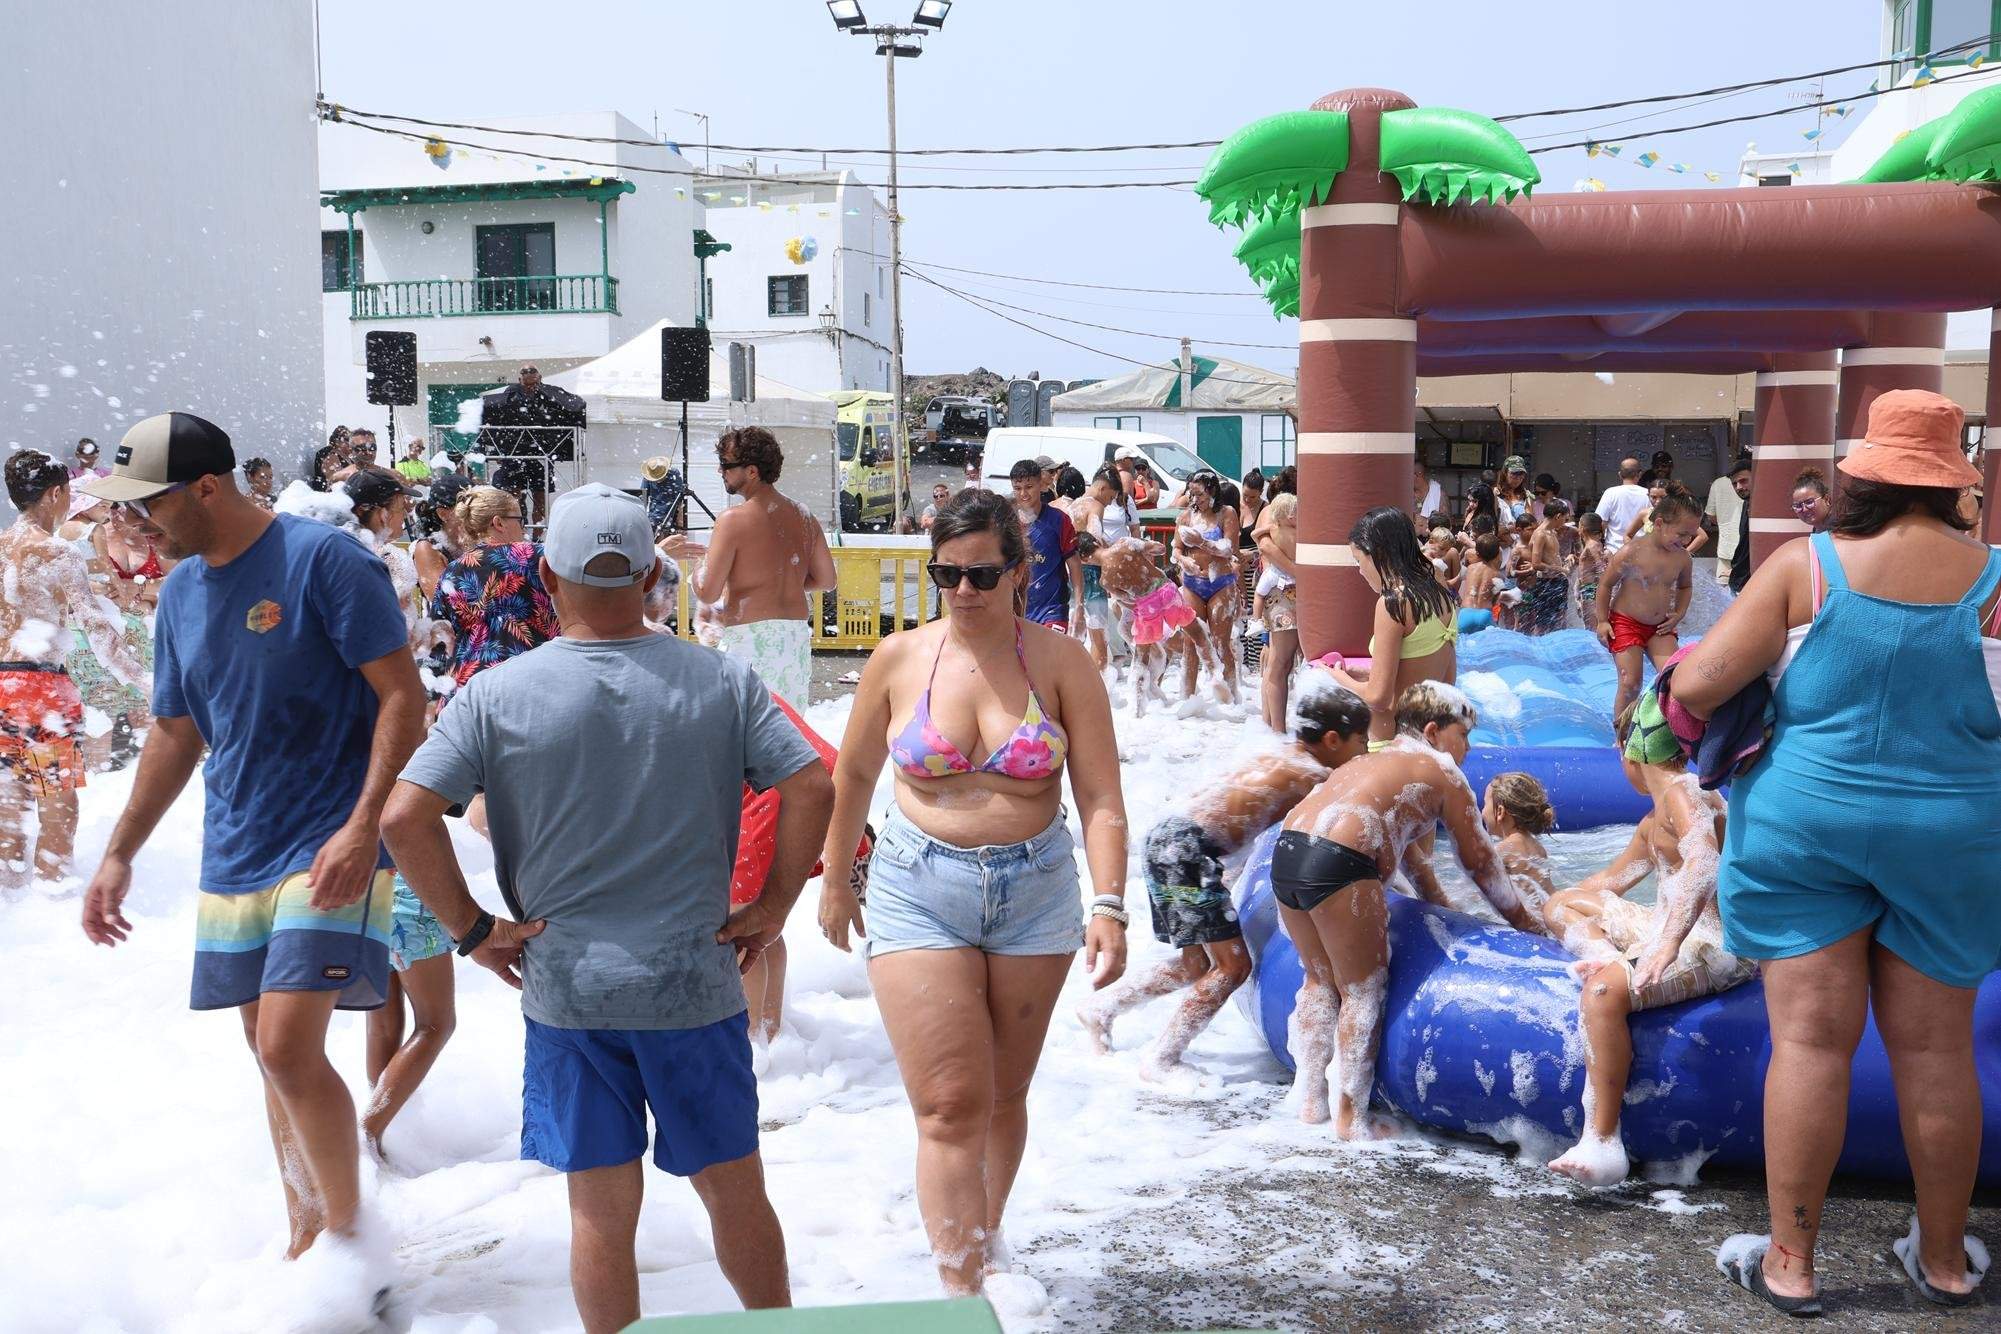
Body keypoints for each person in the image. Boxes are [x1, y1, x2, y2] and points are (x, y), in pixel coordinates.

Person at [383, 484, 830, 1332]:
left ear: (547, 578)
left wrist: (473, 932)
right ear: (654, 578)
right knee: (734, 1191)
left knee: (598, 1213)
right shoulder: (719, 681)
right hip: (692, 983)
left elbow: (404, 816)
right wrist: (771, 904)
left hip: (569, 993)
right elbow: (812, 782)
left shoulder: (494, 694)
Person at [78, 412, 424, 1310]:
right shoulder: (182, 590)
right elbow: (173, 730)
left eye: (145, 504)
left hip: (330, 837)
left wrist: (364, 826)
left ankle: (359, 1261)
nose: (134, 524)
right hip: (235, 844)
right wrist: (118, 854)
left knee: (285, 1043)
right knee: (269, 1057)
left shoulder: (323, 561)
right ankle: (310, 1240)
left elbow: (402, 699)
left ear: (204, 487)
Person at [1676, 390, 2000, 1314]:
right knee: (1938, 1052)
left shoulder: (1805, 568)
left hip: (1804, 824)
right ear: (1951, 486)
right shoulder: (1997, 581)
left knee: (1811, 1043)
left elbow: (1700, 683)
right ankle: (1941, 1261)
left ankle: (1790, 1263)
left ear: (1859, 476)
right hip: (1952, 834)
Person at [816, 488, 1128, 1298]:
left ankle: (986, 1247)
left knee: (1003, 1093)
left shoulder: (1062, 663)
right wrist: (836, 881)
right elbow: (851, 773)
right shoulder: (899, 658)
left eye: (982, 575)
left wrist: (1109, 903)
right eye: (946, 574)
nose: (963, 592)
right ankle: (959, 1292)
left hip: (1035, 889)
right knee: (951, 1104)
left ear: (1019, 573)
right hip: (918, 884)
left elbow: (1099, 797)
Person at [1275, 682, 1542, 1137]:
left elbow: (1411, 860)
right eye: (1464, 735)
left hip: (1288, 851)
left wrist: (1441, 907)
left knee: (1320, 980)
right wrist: (1527, 925)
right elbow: (1481, 863)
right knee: (1362, 991)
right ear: (1434, 731)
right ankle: (1350, 1121)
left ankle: (1309, 1103)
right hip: (1340, 860)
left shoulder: (1370, 760)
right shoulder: (1441, 772)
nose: (1468, 748)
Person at [1080, 681, 1372, 1075]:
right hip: (1187, 851)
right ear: (1334, 740)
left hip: (1167, 840)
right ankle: (1162, 1058)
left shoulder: (1283, 756)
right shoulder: (1311, 776)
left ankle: (1101, 1009)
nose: (1367, 750)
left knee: (1196, 962)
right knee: (1233, 967)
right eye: (1362, 740)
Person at [1541, 691, 1753, 1188]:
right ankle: (1603, 957)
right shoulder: (1654, 817)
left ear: (1631, 753)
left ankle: (1602, 1139)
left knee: (1601, 995)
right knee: (1562, 905)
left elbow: (1704, 863)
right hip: (1668, 928)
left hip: (1714, 945)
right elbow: (1606, 886)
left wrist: (1666, 944)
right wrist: (1533, 897)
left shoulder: (1688, 793)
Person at [1, 452, 144, 885]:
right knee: (55, 802)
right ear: (55, 493)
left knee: (8, 804)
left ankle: (13, 906)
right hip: (42, 690)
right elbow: (98, 633)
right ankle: (54, 894)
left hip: (1, 684)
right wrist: (147, 682)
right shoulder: (58, 552)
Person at [729, 692, 872, 1042]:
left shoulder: (680, 685)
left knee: (736, 927)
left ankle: (746, 1038)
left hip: (783, 788)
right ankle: (769, 1032)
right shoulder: (718, 675)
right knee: (761, 918)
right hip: (814, 780)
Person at [661, 427, 835, 710]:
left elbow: (707, 592)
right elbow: (827, 580)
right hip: (793, 638)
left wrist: (698, 567)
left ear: (752, 471)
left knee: (745, 736)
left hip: (750, 639)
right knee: (790, 730)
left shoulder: (733, 519)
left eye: (727, 465)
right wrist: (781, 580)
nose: (721, 471)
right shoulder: (804, 516)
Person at [1329, 507, 1459, 747]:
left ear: (1378, 554)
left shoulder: (1393, 604)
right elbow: (1445, 676)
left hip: (1391, 743)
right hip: (1428, 741)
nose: (1360, 571)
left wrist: (1335, 677)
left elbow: (1378, 698)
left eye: (1359, 560)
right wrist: (1370, 674)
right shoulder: (1440, 592)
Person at [428, 486, 559, 691]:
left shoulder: (452, 571)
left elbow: (439, 640)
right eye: (519, 520)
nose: (523, 528)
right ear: (498, 523)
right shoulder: (537, 557)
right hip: (531, 686)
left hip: (467, 688)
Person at [1594, 490, 1700, 725]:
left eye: (1690, 536)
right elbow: (1604, 585)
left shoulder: (1682, 558)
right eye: (1682, 534)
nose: (1685, 541)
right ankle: (1621, 734)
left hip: (1659, 627)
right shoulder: (1631, 552)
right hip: (1625, 623)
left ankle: (1670, 730)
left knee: (1676, 680)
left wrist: (1679, 614)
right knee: (1630, 683)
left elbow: (1685, 587)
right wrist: (1602, 621)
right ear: (1660, 523)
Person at [482, 364, 585, 528]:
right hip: (515, 454)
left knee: (540, 498)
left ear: (540, 379)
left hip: (541, 455)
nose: (530, 388)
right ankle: (518, 531)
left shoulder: (549, 393)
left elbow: (576, 404)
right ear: (519, 380)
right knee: (513, 497)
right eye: (526, 384)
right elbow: (495, 412)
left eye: (534, 384)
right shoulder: (511, 393)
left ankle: (538, 534)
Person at [1173, 470, 1241, 703]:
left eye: (1199, 494)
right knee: (1190, 644)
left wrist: (1201, 542)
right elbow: (1176, 549)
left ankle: (1232, 701)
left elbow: (1228, 549)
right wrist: (1184, 560)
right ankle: (1187, 700)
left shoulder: (1227, 513)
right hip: (1193, 584)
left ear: (1212, 491)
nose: (1194, 499)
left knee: (1221, 643)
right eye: (1190, 494)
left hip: (1220, 583)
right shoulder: (1185, 517)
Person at [1006, 457, 1084, 635]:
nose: (1024, 494)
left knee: (1047, 660)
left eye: (1029, 487)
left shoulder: (1059, 520)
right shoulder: (1007, 522)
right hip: (1016, 609)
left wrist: (1079, 606)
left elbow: (1075, 564)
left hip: (1053, 610)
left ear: (1040, 484)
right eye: (1018, 489)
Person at [1071, 465, 1134, 674]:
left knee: (1076, 637)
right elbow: (1092, 542)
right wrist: (1112, 556)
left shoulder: (1073, 505)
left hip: (1071, 572)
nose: (1109, 502)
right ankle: (1098, 690)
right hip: (1089, 573)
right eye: (1111, 497)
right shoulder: (1095, 505)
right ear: (1103, 488)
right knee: (1099, 640)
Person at [1251, 490, 1301, 732]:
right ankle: (1276, 730)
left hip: (1281, 593)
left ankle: (1273, 727)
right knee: (1280, 663)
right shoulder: (1289, 530)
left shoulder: (1273, 527)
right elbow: (1262, 543)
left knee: (1278, 663)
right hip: (1285, 595)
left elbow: (1259, 538)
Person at [1482, 771, 1555, 912]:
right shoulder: (1538, 847)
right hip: (1551, 909)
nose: (1482, 811)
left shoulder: (1505, 849)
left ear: (1500, 812)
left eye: (1485, 804)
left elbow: (1470, 891)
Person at [411, 472, 472, 606]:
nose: (476, 513)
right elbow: (444, 602)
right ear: (443, 514)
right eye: (468, 508)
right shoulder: (428, 548)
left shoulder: (476, 539)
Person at [1517, 499, 1570, 635]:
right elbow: (1536, 564)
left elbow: (1551, 558)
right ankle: (1538, 651)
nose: (1565, 522)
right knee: (1543, 624)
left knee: (1559, 621)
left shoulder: (1552, 532)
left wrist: (1566, 560)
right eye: (1564, 518)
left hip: (1557, 582)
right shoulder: (1540, 534)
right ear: (1558, 516)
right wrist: (1561, 569)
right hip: (1547, 583)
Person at [1705, 453, 1752, 586]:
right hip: (1733, 557)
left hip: (1740, 559)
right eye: (1735, 483)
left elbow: (1711, 516)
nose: (1739, 487)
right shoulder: (1747, 503)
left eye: (1743, 480)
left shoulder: (1718, 483)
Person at [1593, 457, 1651, 554]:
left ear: (1620, 475)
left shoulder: (1610, 493)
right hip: (1641, 552)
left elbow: (1601, 523)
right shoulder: (1648, 494)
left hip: (1614, 551)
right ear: (1640, 474)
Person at [1573, 512, 1609, 625]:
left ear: (1582, 528)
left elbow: (1601, 567)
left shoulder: (1593, 545)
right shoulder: (1592, 544)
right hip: (1589, 588)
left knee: (1592, 626)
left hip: (1592, 589)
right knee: (1589, 623)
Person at [310, 426, 351, 493]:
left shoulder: (347, 457)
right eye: (347, 439)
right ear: (336, 441)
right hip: (331, 496)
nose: (350, 443)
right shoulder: (331, 455)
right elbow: (336, 480)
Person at [1791, 467, 1831, 533]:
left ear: (1826, 500)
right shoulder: (1817, 530)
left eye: (1809, 502)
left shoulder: (1839, 530)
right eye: (1798, 506)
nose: (1804, 509)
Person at [1495, 455, 1532, 523]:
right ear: (1505, 473)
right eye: (1514, 473)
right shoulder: (1495, 493)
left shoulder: (1525, 495)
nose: (1518, 478)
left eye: (1521, 474)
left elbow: (1530, 522)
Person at [1240, 467, 1268, 538]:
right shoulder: (1233, 501)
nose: (1247, 500)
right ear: (1242, 487)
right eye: (1245, 495)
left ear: (1261, 492)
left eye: (1252, 497)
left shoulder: (1265, 509)